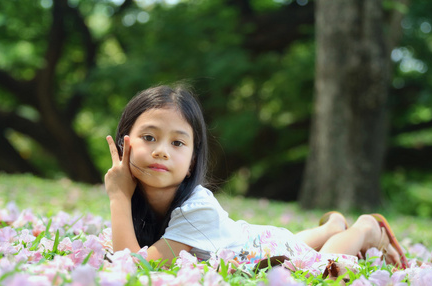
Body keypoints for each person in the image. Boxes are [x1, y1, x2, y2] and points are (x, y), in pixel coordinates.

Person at [104, 84, 408, 273]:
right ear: (123, 144)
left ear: (193, 159)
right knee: (291, 244)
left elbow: (132, 266)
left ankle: (365, 228)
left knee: (320, 264)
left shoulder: (196, 209)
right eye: (149, 137)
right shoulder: (139, 199)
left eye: (177, 143)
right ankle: (332, 226)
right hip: (254, 242)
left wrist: (118, 196)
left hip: (259, 250)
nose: (161, 152)